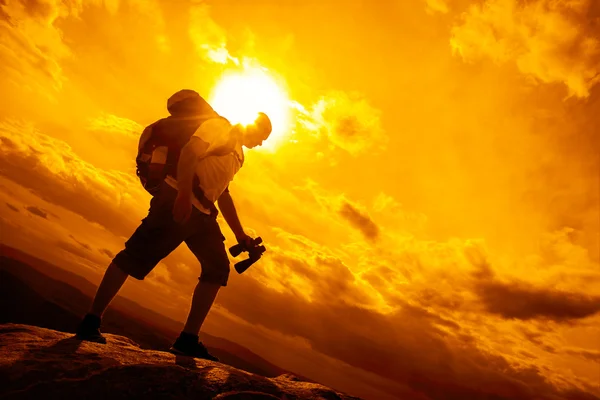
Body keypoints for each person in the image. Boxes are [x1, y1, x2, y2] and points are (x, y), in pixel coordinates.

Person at [75, 89, 272, 361]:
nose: (261, 144)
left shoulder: (238, 154)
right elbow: (190, 153)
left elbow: (222, 192)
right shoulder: (218, 128)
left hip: (203, 212)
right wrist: (181, 196)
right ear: (254, 127)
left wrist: (241, 235)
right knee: (134, 256)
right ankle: (91, 321)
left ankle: (187, 340)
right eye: (262, 137)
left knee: (216, 269)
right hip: (178, 199)